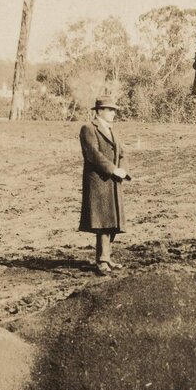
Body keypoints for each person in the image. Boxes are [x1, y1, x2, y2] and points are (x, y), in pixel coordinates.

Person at [79, 96, 131, 275]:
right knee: (103, 222)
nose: (113, 113)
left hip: (114, 181)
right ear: (99, 111)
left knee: (114, 221)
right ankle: (102, 260)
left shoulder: (112, 130)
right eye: (110, 110)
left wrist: (123, 170)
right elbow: (92, 154)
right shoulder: (88, 128)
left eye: (114, 110)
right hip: (99, 182)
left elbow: (123, 153)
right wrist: (113, 169)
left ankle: (107, 257)